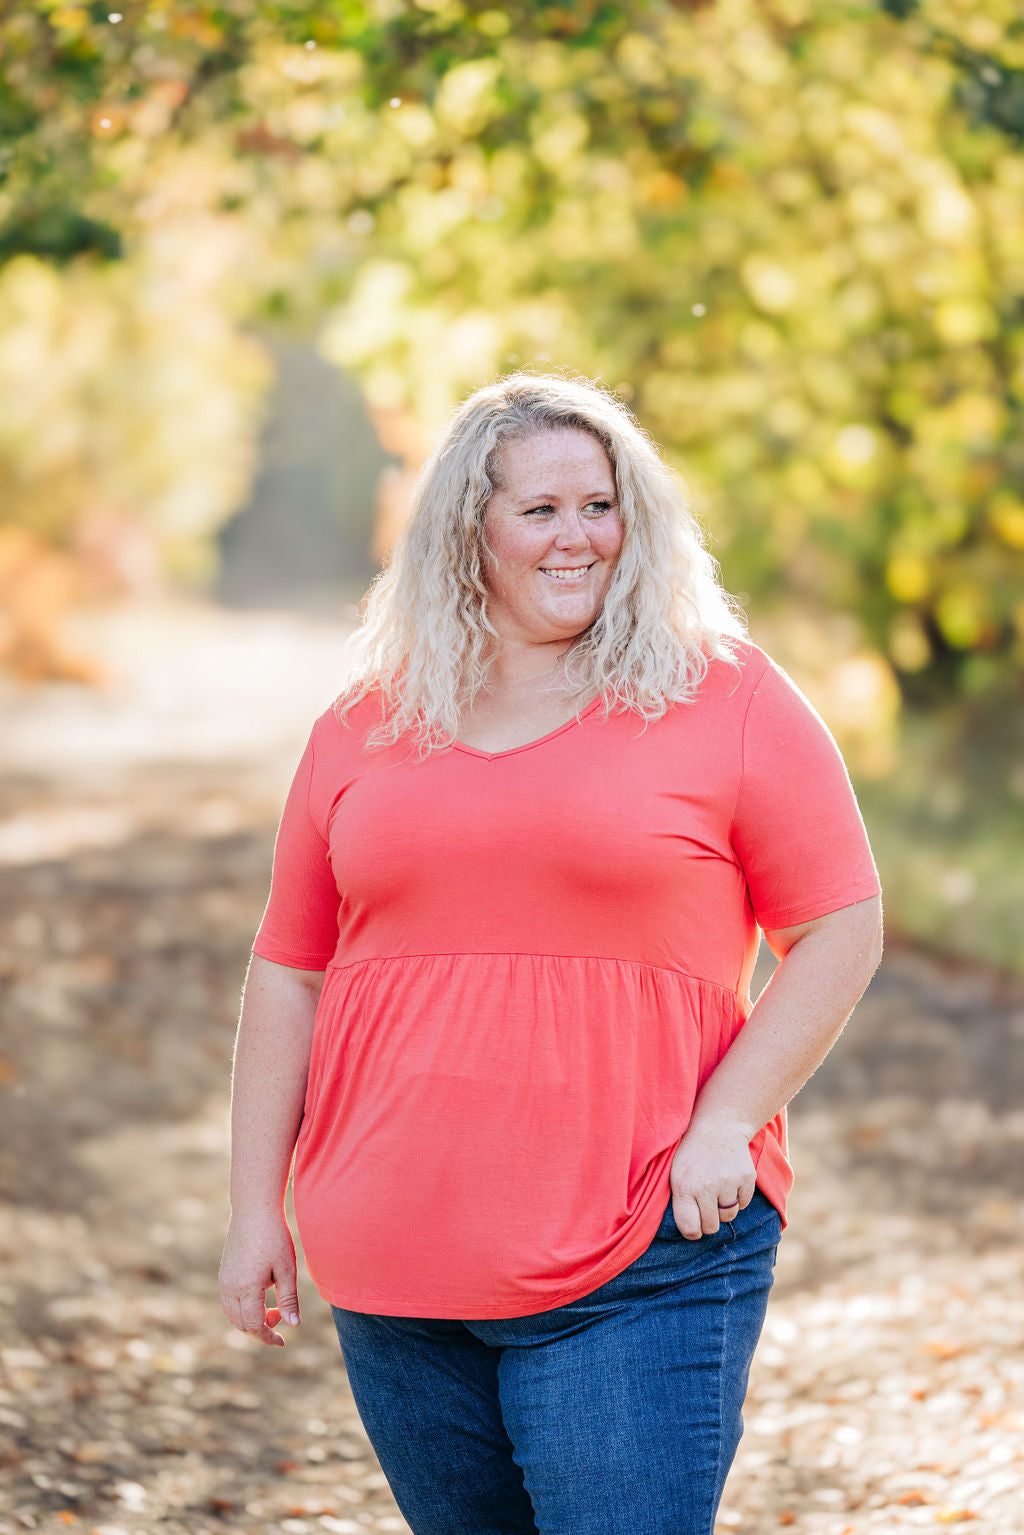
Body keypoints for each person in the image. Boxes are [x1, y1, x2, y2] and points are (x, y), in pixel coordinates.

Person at [219, 372, 883, 1535]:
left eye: (600, 503)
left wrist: (728, 1118)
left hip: (641, 1247)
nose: (577, 536)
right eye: (538, 510)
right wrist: (252, 1207)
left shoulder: (720, 692)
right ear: (466, 529)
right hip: (391, 1268)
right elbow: (290, 967)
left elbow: (839, 924)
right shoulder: (365, 719)